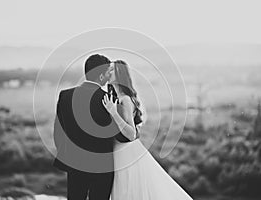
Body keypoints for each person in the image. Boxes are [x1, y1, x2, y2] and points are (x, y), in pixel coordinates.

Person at [102, 60, 193, 200]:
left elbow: (131, 134)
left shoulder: (125, 99)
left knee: (128, 192)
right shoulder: (116, 97)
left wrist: (113, 113)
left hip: (126, 152)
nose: (109, 72)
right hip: (119, 151)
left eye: (112, 70)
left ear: (120, 74)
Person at [53, 54, 127, 200]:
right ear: (101, 76)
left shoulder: (65, 96)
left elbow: (58, 132)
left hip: (74, 163)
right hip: (102, 166)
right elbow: (120, 136)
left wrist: (69, 154)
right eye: (108, 72)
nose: (109, 75)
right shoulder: (108, 100)